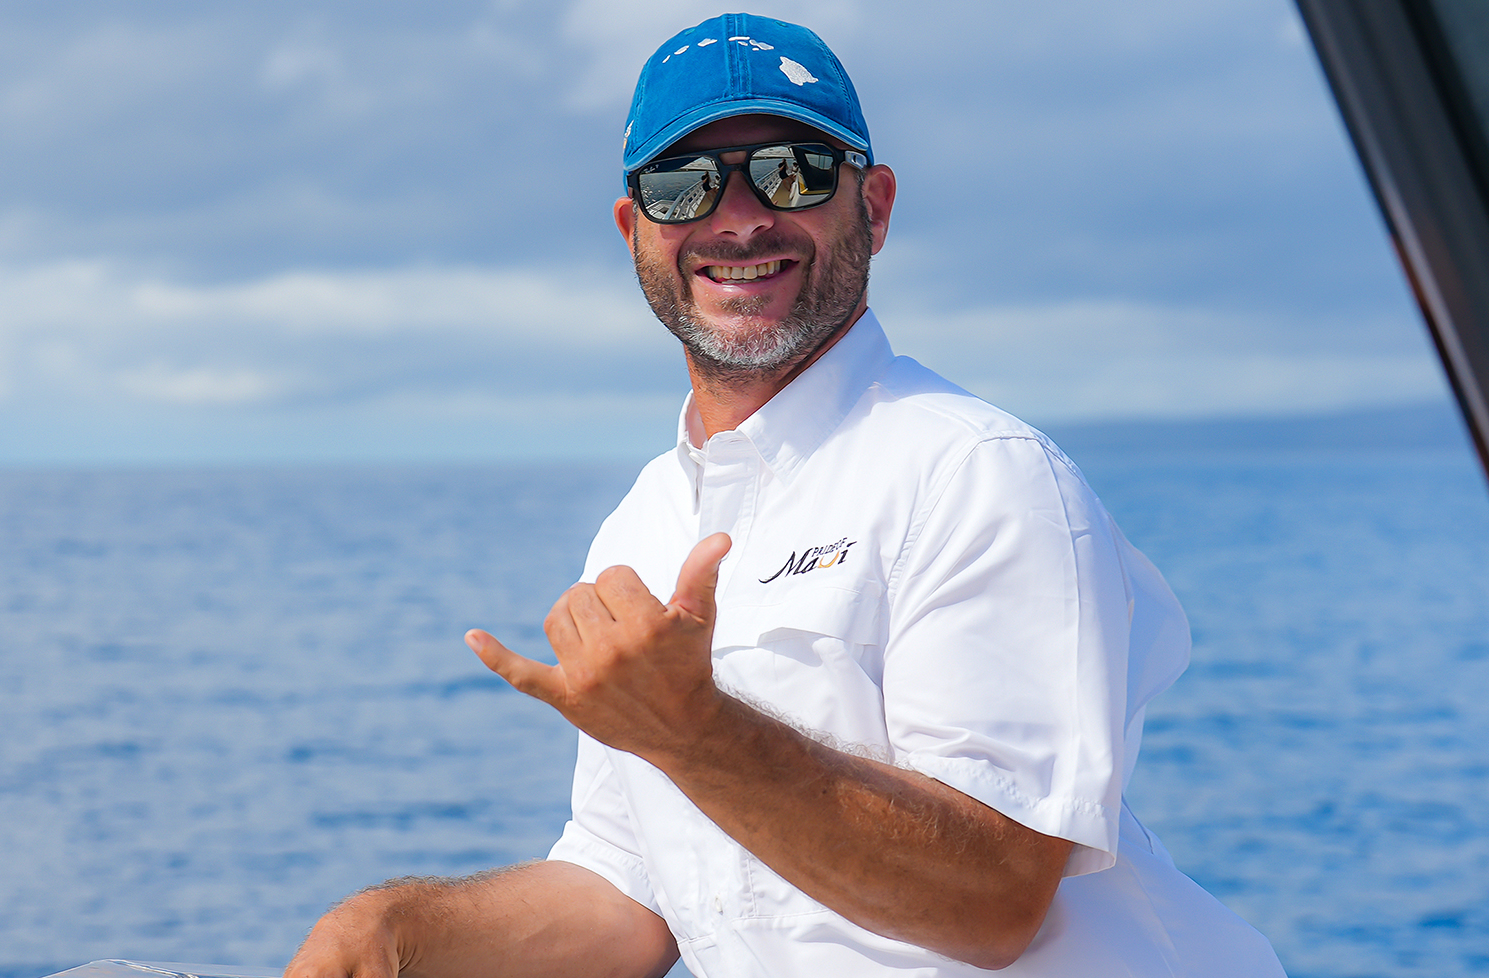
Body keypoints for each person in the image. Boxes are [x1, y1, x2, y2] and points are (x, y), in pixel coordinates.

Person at [288, 13, 1286, 977]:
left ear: (876, 206)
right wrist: (392, 933)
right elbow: (628, 899)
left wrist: (698, 732)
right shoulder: (639, 526)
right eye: (684, 185)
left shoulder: (977, 472)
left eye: (792, 171)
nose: (737, 217)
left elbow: (992, 902)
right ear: (634, 231)